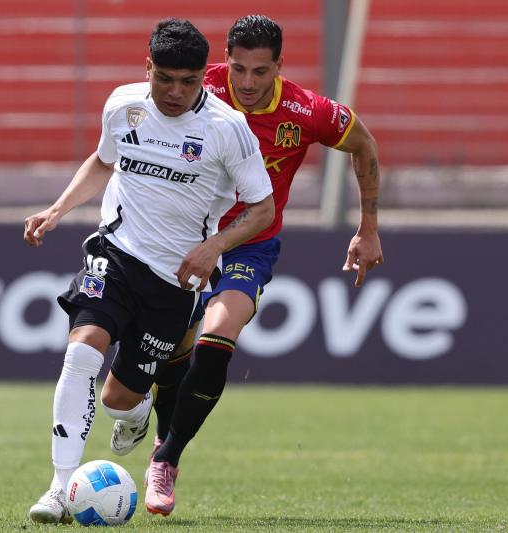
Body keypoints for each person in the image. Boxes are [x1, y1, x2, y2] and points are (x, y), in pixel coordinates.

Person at [109, 15, 384, 516]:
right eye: (239, 70)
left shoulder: (307, 111)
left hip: (248, 245)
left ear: (280, 67)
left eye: (261, 71)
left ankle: (166, 457)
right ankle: (151, 417)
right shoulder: (196, 85)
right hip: (182, 238)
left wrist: (368, 227)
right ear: (225, 64)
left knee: (218, 338)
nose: (248, 83)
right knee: (172, 354)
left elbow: (364, 144)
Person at [22, 18, 275, 524]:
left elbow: (263, 209)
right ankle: (57, 488)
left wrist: (214, 249)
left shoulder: (227, 129)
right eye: (165, 78)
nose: (176, 92)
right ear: (148, 68)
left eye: (189, 81)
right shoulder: (123, 105)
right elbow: (102, 161)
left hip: (174, 281)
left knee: (119, 398)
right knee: (82, 348)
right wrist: (58, 208)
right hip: (115, 253)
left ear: (205, 75)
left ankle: (135, 415)